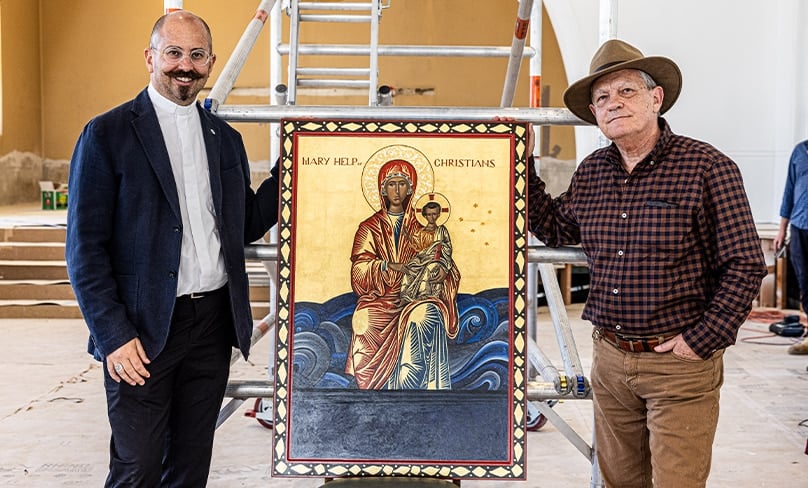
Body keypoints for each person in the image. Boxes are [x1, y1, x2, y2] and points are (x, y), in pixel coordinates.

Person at [526, 39, 767, 487]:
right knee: (619, 483)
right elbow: (557, 229)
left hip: (678, 366)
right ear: (595, 114)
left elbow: (745, 264)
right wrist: (523, 164)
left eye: (626, 91)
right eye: (602, 98)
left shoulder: (707, 167)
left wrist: (701, 340)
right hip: (611, 360)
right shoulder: (593, 171)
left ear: (656, 98)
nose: (613, 103)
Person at [65, 11, 279, 486]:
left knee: (189, 466)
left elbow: (243, 224)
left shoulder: (225, 140)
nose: (186, 65)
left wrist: (298, 165)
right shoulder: (107, 134)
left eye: (197, 55)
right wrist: (113, 335)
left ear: (211, 62)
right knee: (136, 467)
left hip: (211, 327)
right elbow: (84, 250)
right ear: (151, 58)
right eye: (174, 53)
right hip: (141, 331)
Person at [346, 160, 460, 390]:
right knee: (365, 319)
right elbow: (359, 269)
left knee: (425, 314)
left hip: (416, 296)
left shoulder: (422, 228)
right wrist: (388, 266)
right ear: (382, 189)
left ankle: (409, 384)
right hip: (378, 299)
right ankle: (374, 390)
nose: (396, 191)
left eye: (402, 185)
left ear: (410, 189)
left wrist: (442, 271)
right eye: (391, 185)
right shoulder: (368, 227)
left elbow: (443, 259)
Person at [774, 140, 808, 355]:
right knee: (806, 285)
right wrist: (781, 229)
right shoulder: (799, 151)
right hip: (799, 226)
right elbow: (789, 190)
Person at [400, 199, 458, 304]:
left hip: (439, 258)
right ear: (425, 216)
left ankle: (424, 295)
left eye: (434, 214)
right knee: (409, 269)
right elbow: (418, 247)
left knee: (429, 269)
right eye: (429, 214)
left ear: (439, 215)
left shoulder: (441, 230)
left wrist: (444, 265)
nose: (432, 217)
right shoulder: (421, 232)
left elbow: (448, 247)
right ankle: (405, 297)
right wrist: (407, 236)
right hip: (423, 258)